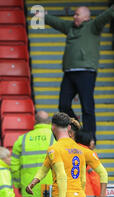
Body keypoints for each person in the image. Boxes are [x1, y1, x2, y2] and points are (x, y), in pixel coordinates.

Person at [36, 5, 114, 141]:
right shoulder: (71, 27)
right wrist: (44, 17)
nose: (74, 17)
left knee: (87, 106)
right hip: (69, 72)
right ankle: (78, 129)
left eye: (77, 14)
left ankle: (90, 137)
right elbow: (58, 23)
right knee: (63, 104)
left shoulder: (94, 26)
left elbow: (107, 14)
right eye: (74, 14)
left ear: (86, 17)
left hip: (86, 72)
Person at [11, 110, 55, 197]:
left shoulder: (22, 139)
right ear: (49, 122)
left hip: (29, 187)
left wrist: (18, 185)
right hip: (50, 188)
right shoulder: (56, 137)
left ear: (35, 121)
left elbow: (14, 167)